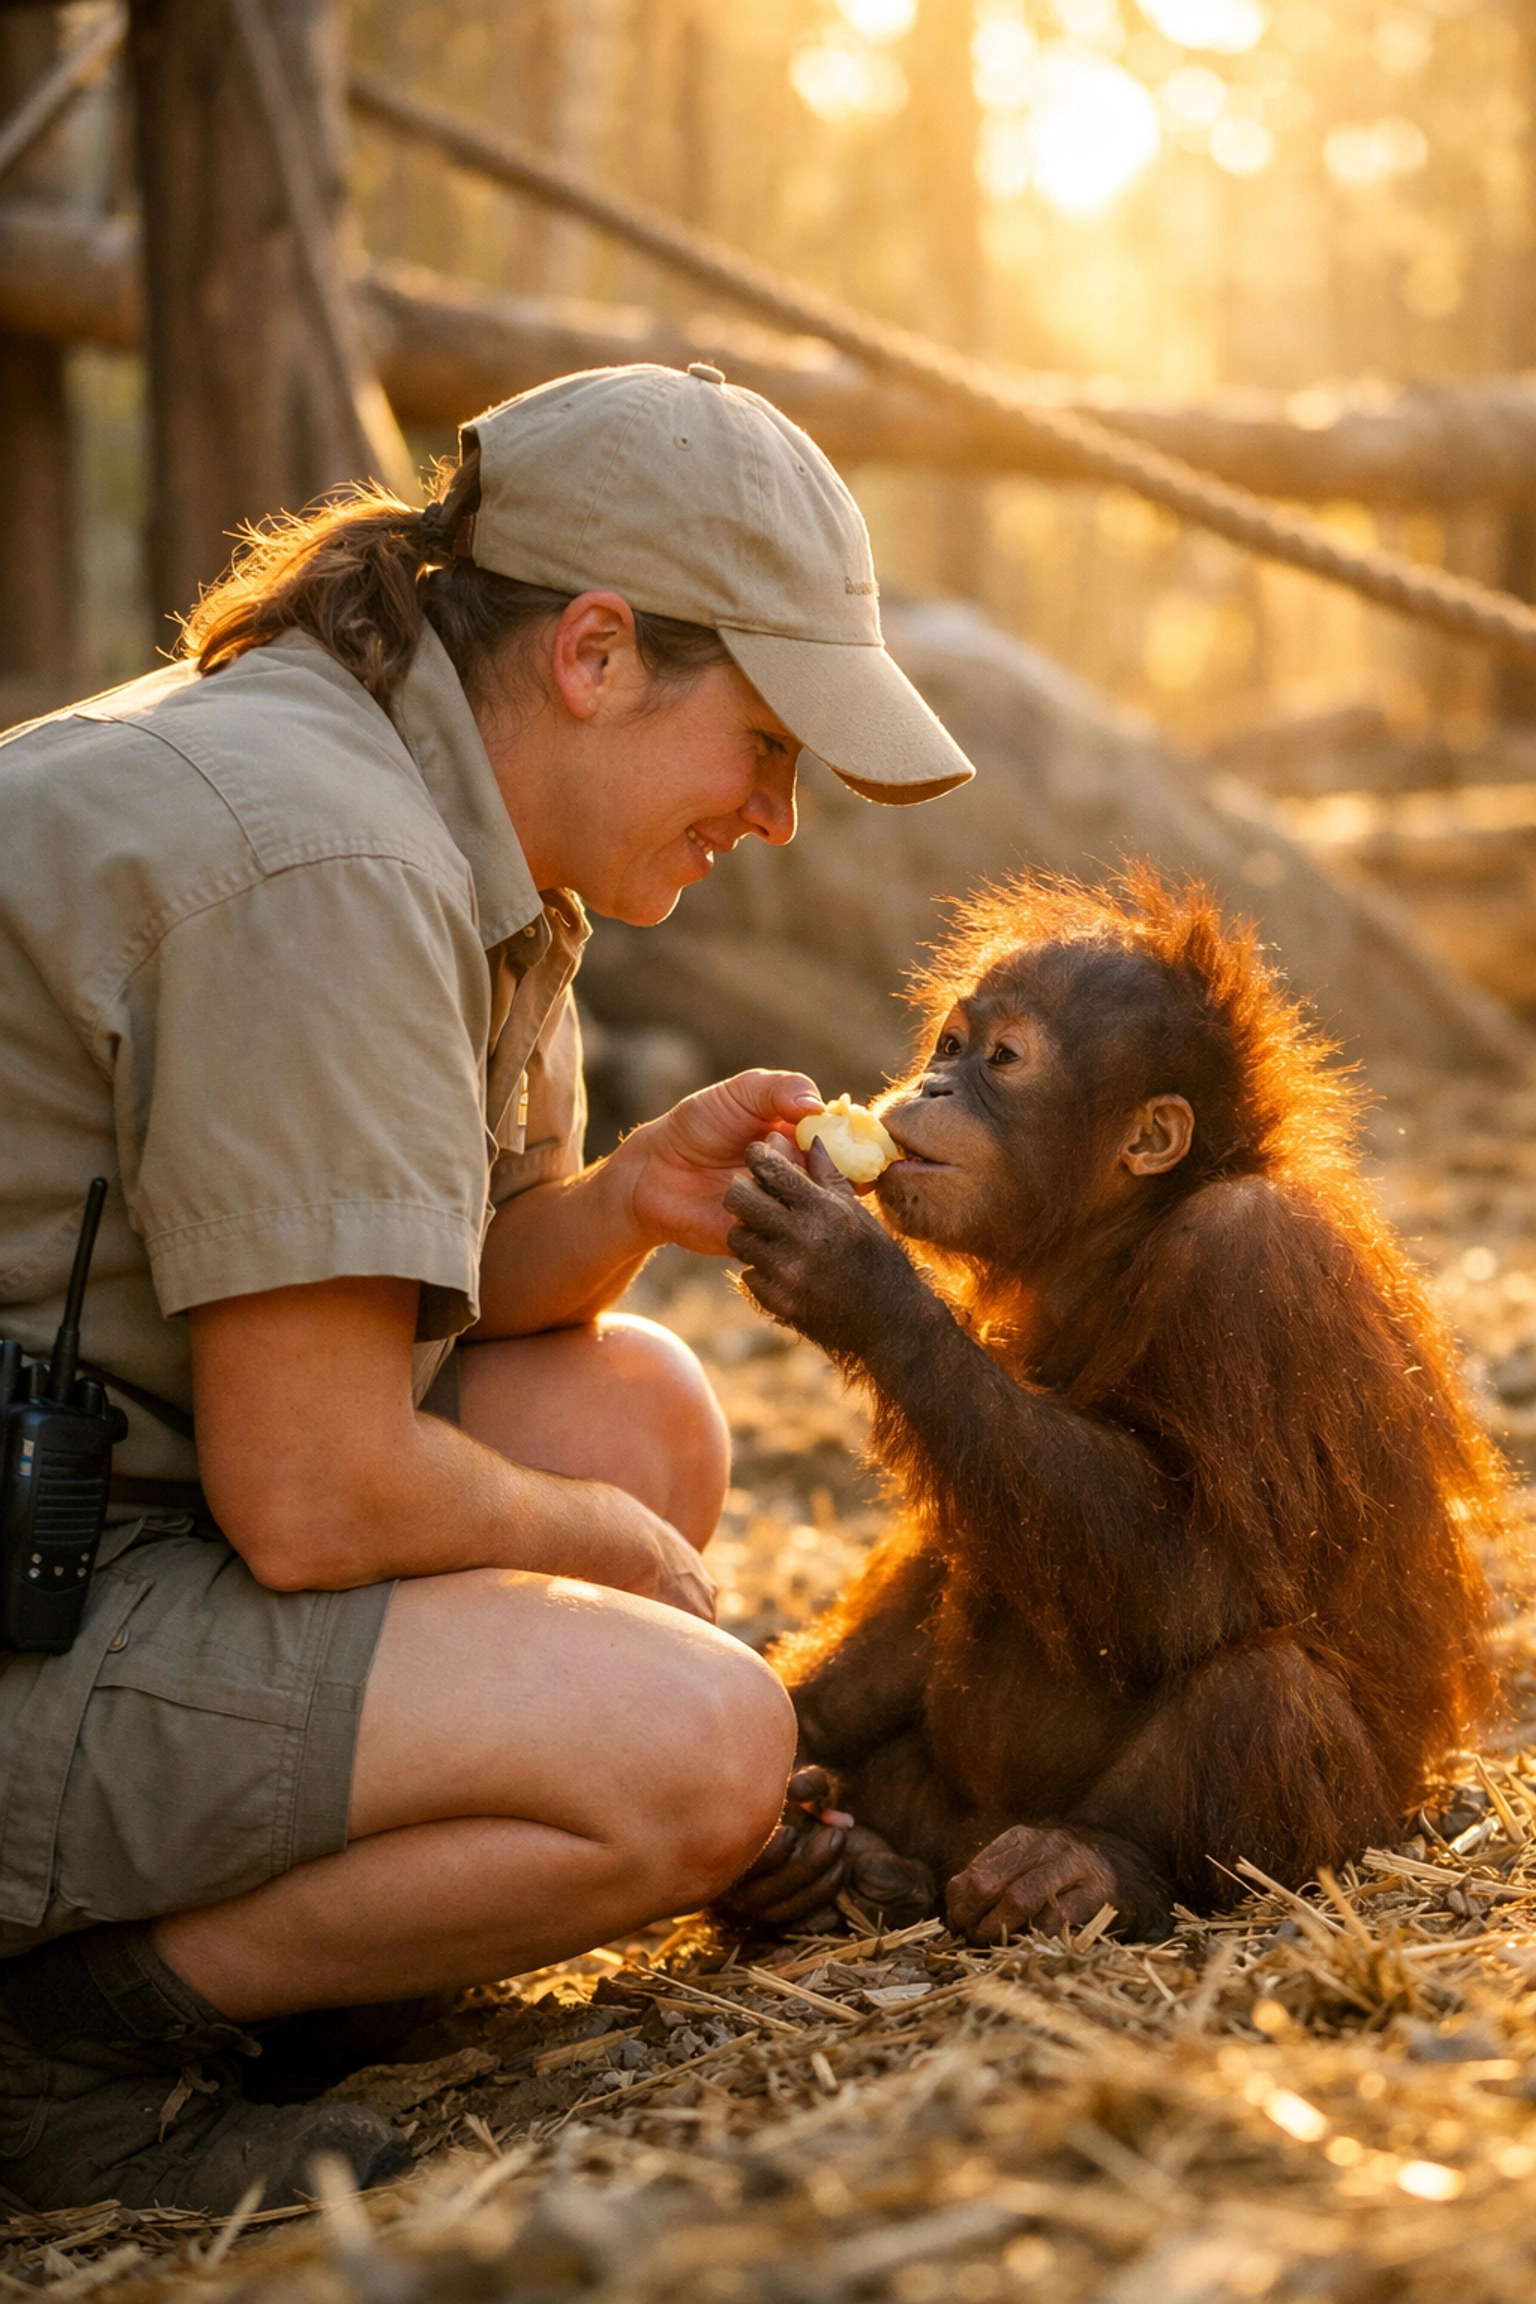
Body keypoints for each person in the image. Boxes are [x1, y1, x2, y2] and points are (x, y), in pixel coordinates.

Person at [0, 362, 976, 2211]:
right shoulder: (329, 856)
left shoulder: (457, 817)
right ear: (596, 654)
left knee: (633, 1407)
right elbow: (317, 1493)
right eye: (768, 743)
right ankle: (61, 2051)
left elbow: (415, 1301)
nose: (778, 817)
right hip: (39, 1591)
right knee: (696, 1750)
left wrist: (623, 1198)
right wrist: (616, 1562)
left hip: (89, 1513)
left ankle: (286, 1963)